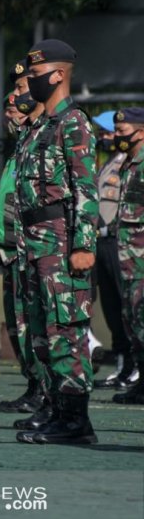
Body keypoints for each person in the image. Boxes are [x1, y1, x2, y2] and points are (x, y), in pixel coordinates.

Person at [14, 40, 98, 445]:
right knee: (42, 333)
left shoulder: (73, 123)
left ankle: (76, 420)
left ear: (58, 74)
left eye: (34, 75)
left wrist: (83, 245)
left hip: (62, 242)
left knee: (66, 329)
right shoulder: (38, 127)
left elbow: (85, 188)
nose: (30, 82)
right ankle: (56, 409)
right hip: (33, 242)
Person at [0, 64, 44, 415]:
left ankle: (48, 392)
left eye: (22, 89)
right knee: (19, 326)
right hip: (12, 250)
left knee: (40, 324)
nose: (13, 99)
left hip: (39, 250)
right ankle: (34, 386)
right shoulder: (22, 143)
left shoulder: (47, 135)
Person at [91, 110, 136, 389]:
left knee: (127, 305)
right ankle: (123, 363)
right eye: (108, 133)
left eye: (111, 133)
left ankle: (133, 365)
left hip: (124, 242)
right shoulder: (111, 162)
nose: (107, 138)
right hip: (104, 240)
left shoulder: (131, 163)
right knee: (111, 305)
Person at [110, 108, 144, 405]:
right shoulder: (128, 164)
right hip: (129, 258)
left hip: (142, 258)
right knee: (133, 319)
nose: (117, 137)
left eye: (123, 132)